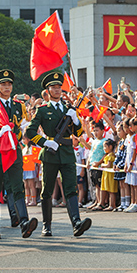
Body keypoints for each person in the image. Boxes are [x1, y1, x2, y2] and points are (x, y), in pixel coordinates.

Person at [26, 71, 91, 237]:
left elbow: (77, 131)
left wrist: (76, 120)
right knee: (47, 190)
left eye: (58, 87)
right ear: (48, 91)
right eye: (53, 87)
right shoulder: (42, 110)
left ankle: (76, 222)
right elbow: (30, 131)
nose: (57, 90)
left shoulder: (68, 109)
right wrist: (45, 142)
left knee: (71, 188)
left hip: (67, 152)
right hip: (50, 153)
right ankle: (46, 225)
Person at [0, 70, 37, 239]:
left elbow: (20, 129)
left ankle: (24, 222)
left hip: (13, 152)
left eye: (9, 84)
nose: (7, 87)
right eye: (3, 84)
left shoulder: (17, 106)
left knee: (17, 187)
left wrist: (16, 135)